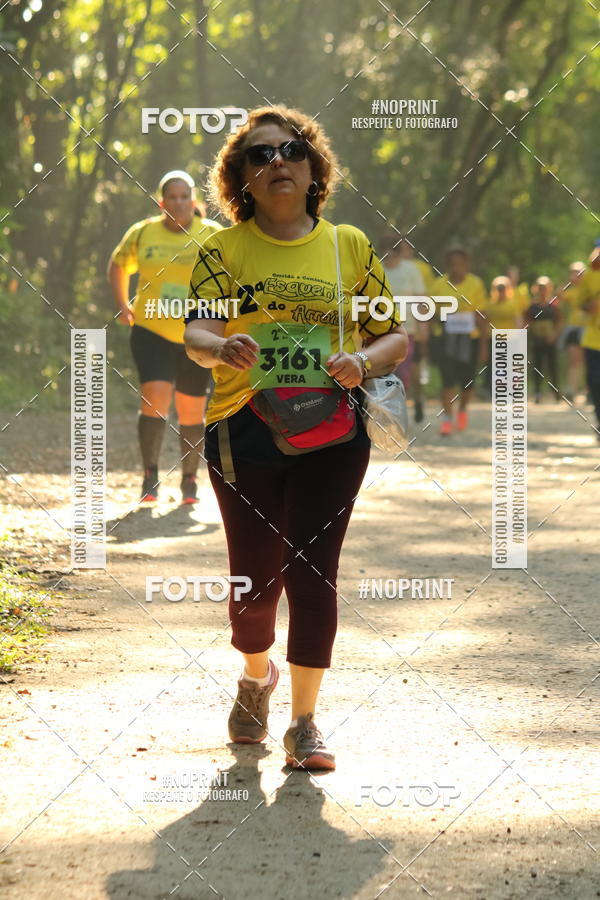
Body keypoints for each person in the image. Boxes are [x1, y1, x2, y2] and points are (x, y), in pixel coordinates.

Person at [183, 105, 407, 771]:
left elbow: (393, 335)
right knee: (254, 589)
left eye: (290, 150)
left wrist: (361, 363)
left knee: (314, 574)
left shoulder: (349, 247)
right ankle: (257, 676)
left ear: (314, 170)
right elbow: (195, 334)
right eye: (258, 155)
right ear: (241, 180)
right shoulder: (220, 250)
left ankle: (304, 723)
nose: (275, 161)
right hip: (241, 429)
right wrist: (222, 348)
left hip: (335, 432)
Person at [108, 171, 222, 504]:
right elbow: (117, 265)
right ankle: (150, 478)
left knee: (191, 411)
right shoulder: (143, 233)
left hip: (198, 334)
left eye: (184, 196)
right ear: (162, 202)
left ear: (194, 201)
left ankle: (189, 481)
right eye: (171, 197)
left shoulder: (211, 234)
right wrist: (122, 305)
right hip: (151, 329)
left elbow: (234, 275)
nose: (178, 202)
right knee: (154, 400)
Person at [430, 248, 488, 435]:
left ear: (466, 265)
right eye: (452, 264)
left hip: (469, 339)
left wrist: (484, 345)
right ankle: (447, 418)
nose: (457, 268)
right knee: (447, 380)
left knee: (468, 381)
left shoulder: (476, 284)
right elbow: (430, 311)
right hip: (445, 338)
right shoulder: (439, 285)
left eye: (460, 264)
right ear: (448, 266)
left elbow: (482, 315)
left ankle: (462, 409)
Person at [380, 233, 428, 422]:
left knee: (409, 371)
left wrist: (423, 326)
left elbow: (421, 300)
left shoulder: (411, 270)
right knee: (388, 369)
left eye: (393, 250)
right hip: (383, 329)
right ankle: (392, 410)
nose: (389, 254)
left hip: (409, 329)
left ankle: (417, 401)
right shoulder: (376, 269)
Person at [525, 277, 562, 403]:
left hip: (550, 339)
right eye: (540, 288)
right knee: (537, 366)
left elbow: (560, 321)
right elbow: (527, 321)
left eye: (545, 288)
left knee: (553, 366)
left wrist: (554, 334)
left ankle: (556, 392)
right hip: (537, 340)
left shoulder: (553, 305)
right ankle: (537, 392)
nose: (543, 291)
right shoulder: (532, 305)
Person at [485, 276, 523, 393]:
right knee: (493, 365)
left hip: (510, 338)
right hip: (493, 338)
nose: (500, 291)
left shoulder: (513, 304)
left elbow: (518, 321)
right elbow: (486, 321)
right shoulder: (489, 304)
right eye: (498, 288)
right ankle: (492, 388)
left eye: (503, 288)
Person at [578, 244, 600, 437]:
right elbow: (580, 302)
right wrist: (589, 306)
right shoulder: (590, 276)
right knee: (594, 381)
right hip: (594, 340)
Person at [558, 261, 586, 401]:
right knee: (574, 361)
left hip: (591, 329)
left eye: (578, 273)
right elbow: (558, 296)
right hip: (574, 329)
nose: (576, 275)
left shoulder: (590, 289)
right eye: (573, 273)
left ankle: (589, 391)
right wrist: (569, 282)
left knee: (589, 361)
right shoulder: (571, 291)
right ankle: (572, 389)